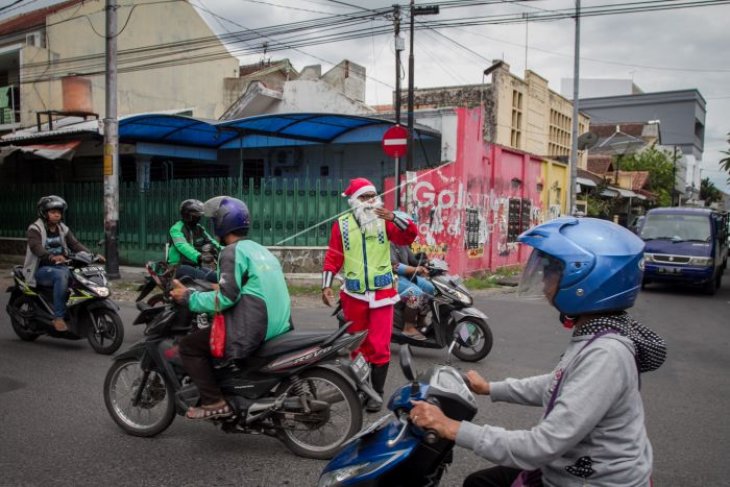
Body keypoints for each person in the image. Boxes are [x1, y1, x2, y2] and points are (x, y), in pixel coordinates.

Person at [409, 217, 667, 487]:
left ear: (587, 279)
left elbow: (541, 446)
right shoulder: (599, 335)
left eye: (551, 270)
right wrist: (490, 388)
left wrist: (452, 428)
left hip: (595, 481)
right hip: (573, 469)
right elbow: (558, 383)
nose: (543, 278)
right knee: (480, 482)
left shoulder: (607, 354)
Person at [170, 196, 292, 420]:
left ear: (221, 223)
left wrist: (189, 297)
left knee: (189, 346)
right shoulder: (259, 249)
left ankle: (213, 401)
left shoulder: (231, 252)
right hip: (279, 325)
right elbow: (243, 285)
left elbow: (226, 298)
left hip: (253, 327)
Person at [321, 178, 417, 412]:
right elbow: (334, 256)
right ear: (354, 201)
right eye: (364, 197)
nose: (370, 201)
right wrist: (326, 285)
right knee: (358, 347)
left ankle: (377, 394)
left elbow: (409, 236)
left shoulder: (386, 221)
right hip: (353, 296)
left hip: (383, 294)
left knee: (380, 346)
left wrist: (394, 217)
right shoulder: (341, 225)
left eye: (373, 196)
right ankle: (362, 390)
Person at [23, 195, 103, 332]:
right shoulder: (35, 229)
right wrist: (51, 257)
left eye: (59, 212)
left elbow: (75, 244)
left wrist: (92, 256)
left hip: (61, 265)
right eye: (53, 212)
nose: (57, 215)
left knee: (80, 275)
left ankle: (74, 311)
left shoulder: (62, 229)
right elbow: (36, 247)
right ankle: (58, 317)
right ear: (44, 213)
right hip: (40, 268)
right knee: (61, 275)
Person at [167, 199, 221, 283]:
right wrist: (199, 256)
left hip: (194, 265)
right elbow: (183, 246)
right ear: (187, 215)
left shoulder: (199, 228)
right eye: (196, 215)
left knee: (218, 278)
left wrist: (227, 250)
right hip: (178, 267)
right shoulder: (176, 229)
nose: (198, 218)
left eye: (199, 215)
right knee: (205, 279)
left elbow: (211, 241)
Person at [390, 239, 434, 341]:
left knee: (430, 287)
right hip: (392, 279)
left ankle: (420, 321)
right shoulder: (387, 243)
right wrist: (415, 269)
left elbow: (414, 261)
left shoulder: (402, 243)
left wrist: (428, 262)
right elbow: (394, 266)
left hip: (407, 276)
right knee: (415, 293)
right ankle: (408, 327)